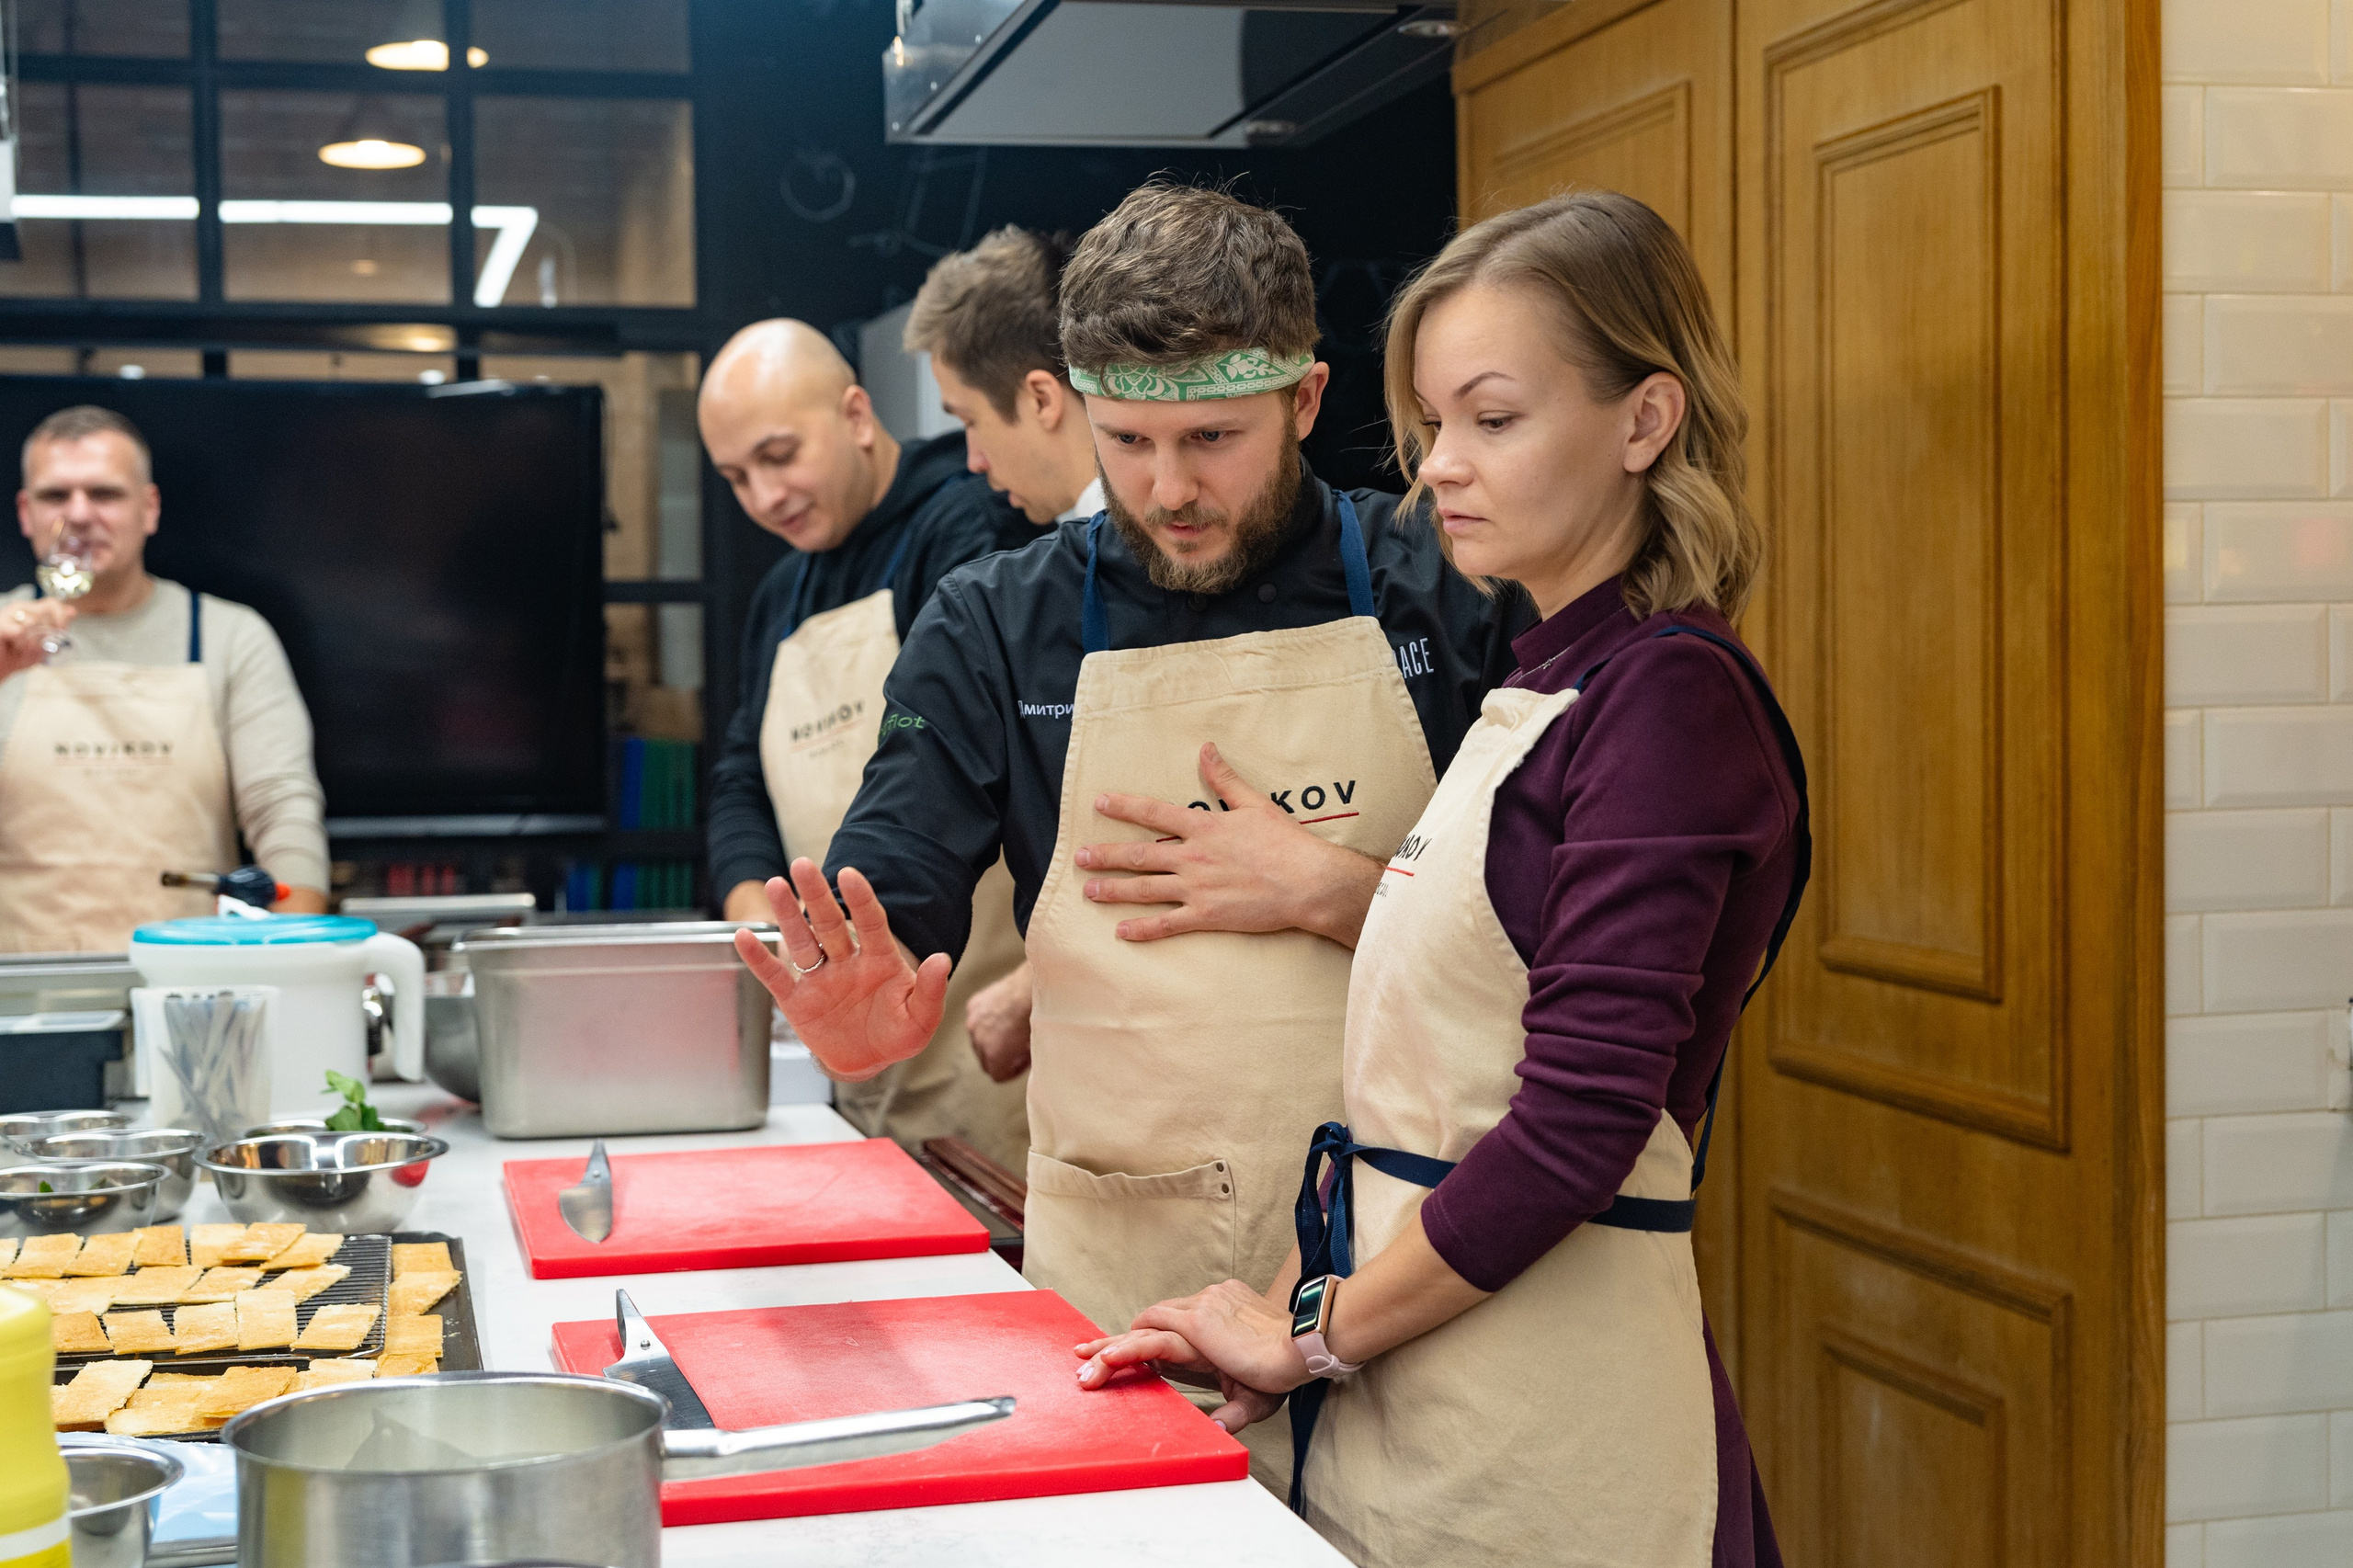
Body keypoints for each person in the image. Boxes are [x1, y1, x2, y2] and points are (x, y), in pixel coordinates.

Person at [730, 182, 1528, 1492]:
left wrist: (1331, 886)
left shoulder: (1446, 586)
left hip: (1420, 1253)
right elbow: (899, 882)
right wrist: (863, 994)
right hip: (1131, 1271)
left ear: (1308, 400)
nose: (1169, 491)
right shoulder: (995, 624)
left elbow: (1559, 928)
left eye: (1214, 438)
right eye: (1128, 443)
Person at [1069, 192, 1805, 1567]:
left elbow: (1579, 1128)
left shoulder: (1670, 699)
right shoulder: (1542, 683)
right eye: (1432, 426)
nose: (1441, 469)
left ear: (1646, 421)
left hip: (1554, 1419)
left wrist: (1313, 1334)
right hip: (1426, 1402)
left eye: (1494, 418)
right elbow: (1420, 1099)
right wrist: (1294, 1311)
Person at [700, 319, 1037, 1171]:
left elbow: (973, 766)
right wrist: (759, 923)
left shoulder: (969, 533)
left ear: (856, 415)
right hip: (842, 1025)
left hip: (978, 1022)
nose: (766, 498)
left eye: (780, 456)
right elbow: (741, 775)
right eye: (737, 478)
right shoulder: (783, 590)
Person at [0, 405, 330, 953]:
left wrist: (295, 953)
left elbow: (282, 810)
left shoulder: (230, 636)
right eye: (56, 496)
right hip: (21, 995)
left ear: (149, 509)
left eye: (105, 494)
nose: (79, 515)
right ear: (25, 514)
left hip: (196, 983)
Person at [900, 226, 1098, 1082]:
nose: (973, 460)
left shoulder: (1033, 591)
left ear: (1042, 396)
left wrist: (1030, 982)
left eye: (969, 422)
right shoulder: (1037, 576)